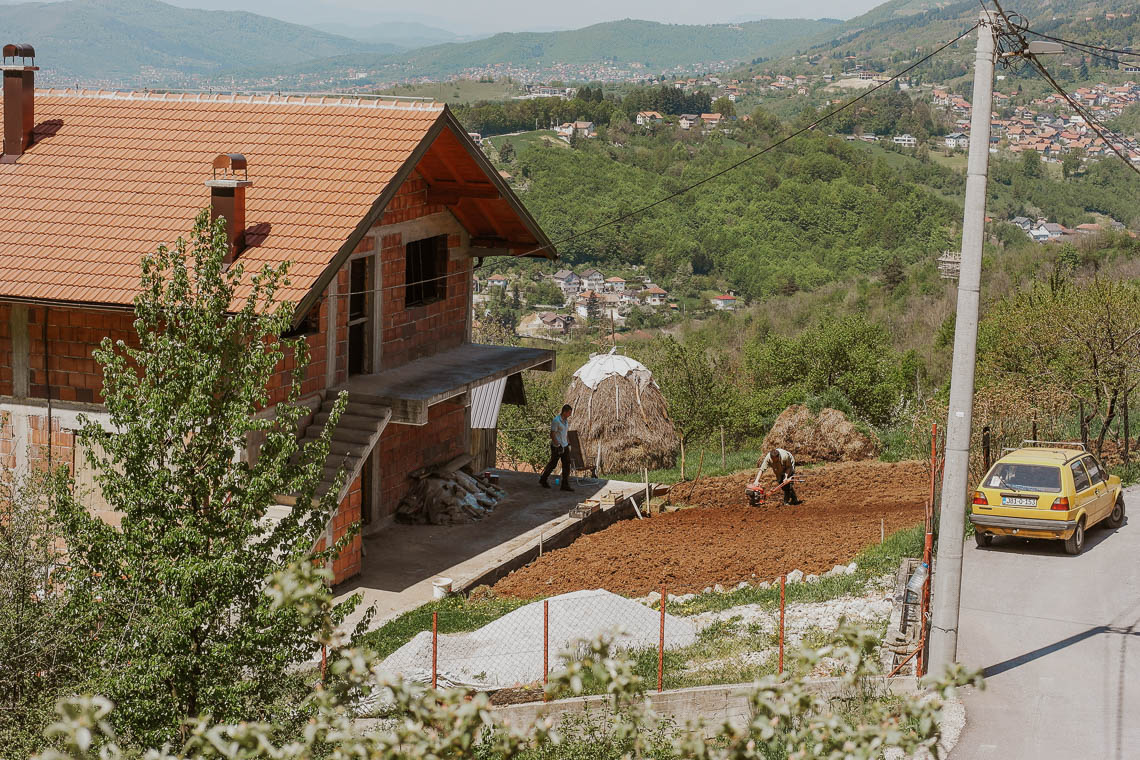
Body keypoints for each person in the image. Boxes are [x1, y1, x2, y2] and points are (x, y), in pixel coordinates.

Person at [539, 404, 574, 492]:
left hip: (564, 445)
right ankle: (543, 479)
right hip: (557, 446)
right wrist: (557, 445)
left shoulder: (566, 421)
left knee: (567, 464)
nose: (570, 415)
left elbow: (565, 433)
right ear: (564, 412)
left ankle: (564, 484)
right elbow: (552, 434)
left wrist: (568, 443)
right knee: (553, 464)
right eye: (569, 413)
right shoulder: (556, 421)